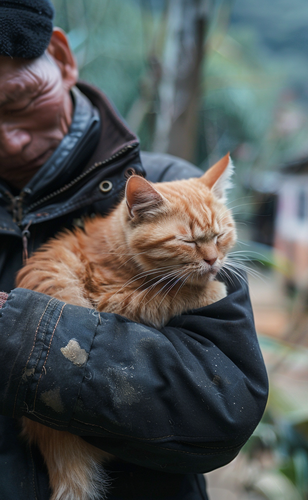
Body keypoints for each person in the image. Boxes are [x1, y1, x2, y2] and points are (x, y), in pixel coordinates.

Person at [0, 1, 268, 499]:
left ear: (61, 56)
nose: (10, 140)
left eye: (20, 100)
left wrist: (18, 333)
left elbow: (223, 410)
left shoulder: (172, 188)